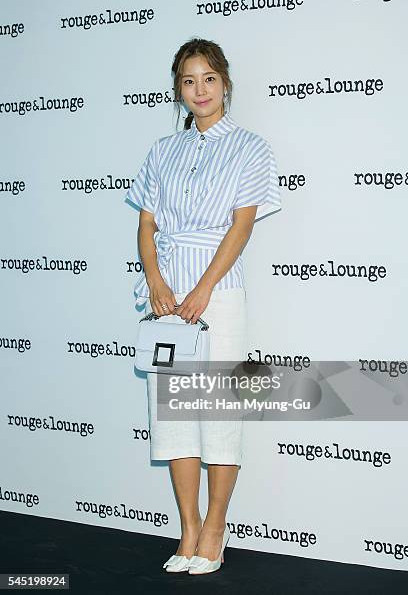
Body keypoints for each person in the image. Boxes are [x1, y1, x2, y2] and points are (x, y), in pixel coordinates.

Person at [124, 37, 281, 575]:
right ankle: (187, 529)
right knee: (174, 417)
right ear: (178, 89)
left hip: (220, 294)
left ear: (225, 84)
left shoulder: (251, 147)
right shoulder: (161, 152)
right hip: (166, 295)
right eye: (189, 81)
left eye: (209, 79)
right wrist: (155, 281)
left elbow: (241, 225)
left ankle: (215, 528)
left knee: (217, 413)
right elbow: (146, 223)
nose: (200, 90)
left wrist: (203, 289)